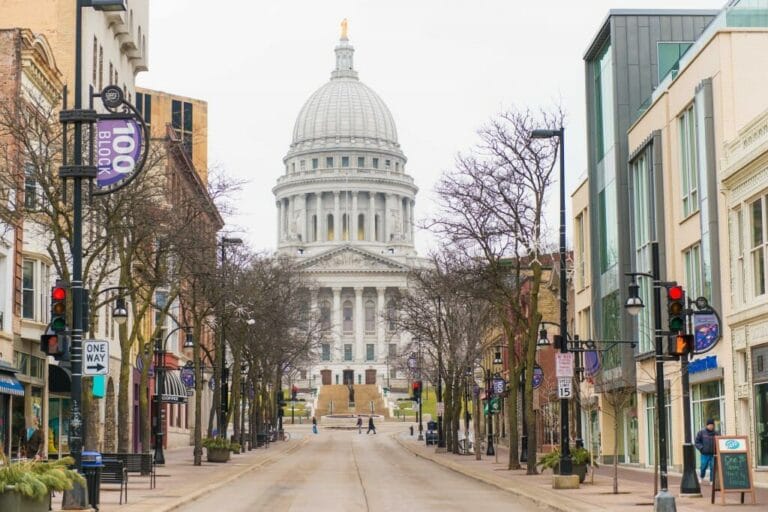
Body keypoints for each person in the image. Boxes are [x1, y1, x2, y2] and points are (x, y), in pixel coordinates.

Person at [695, 418, 719, 483]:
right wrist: (701, 448)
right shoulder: (701, 433)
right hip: (704, 454)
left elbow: (719, 442)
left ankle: (711, 480)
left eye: (712, 425)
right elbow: (697, 442)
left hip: (713, 454)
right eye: (709, 425)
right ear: (707, 425)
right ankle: (701, 476)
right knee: (703, 466)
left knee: (713, 467)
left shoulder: (716, 433)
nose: (711, 426)